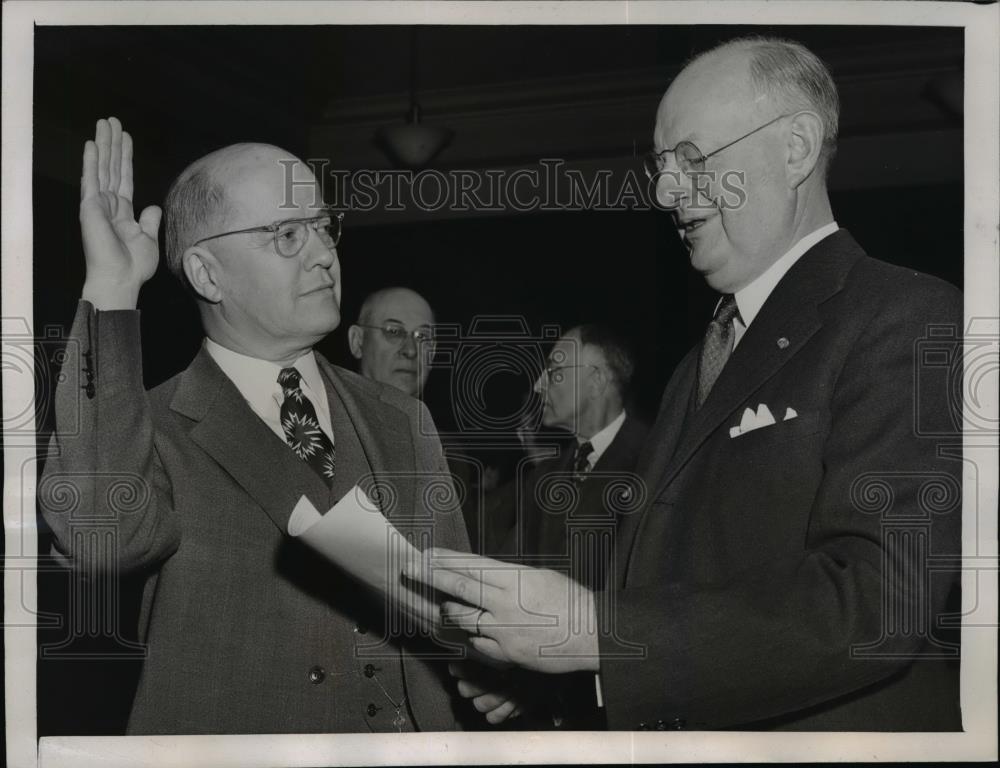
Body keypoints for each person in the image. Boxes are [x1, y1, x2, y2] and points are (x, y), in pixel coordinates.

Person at [411, 36, 963, 731]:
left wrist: (597, 635)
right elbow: (677, 597)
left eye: (694, 159)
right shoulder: (700, 358)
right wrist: (558, 675)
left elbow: (876, 604)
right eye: (663, 166)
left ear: (795, 149)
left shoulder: (907, 316)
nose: (666, 189)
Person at [39, 118, 470, 734]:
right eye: (287, 233)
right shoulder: (150, 428)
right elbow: (100, 539)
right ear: (208, 274)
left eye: (324, 228)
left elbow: (456, 601)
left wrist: (488, 663)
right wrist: (111, 288)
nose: (325, 253)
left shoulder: (402, 417)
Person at [489, 324, 649, 594]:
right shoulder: (544, 476)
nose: (539, 385)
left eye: (554, 371)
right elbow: (508, 570)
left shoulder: (655, 461)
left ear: (596, 381)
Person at [348, 287, 435, 399]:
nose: (411, 351)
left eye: (422, 336)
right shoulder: (330, 413)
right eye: (394, 332)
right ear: (357, 342)